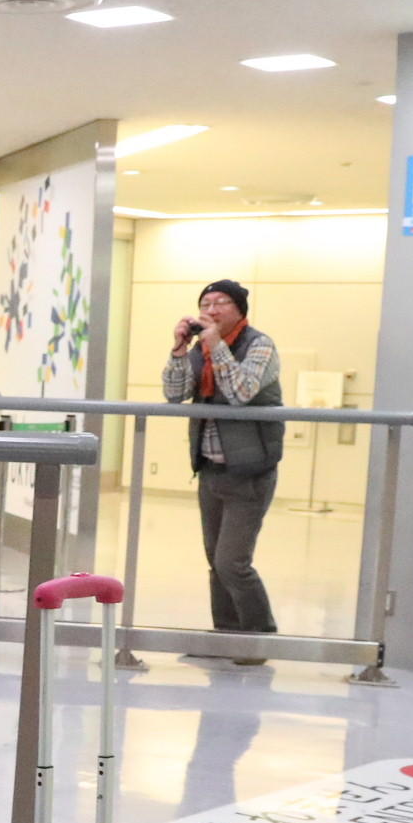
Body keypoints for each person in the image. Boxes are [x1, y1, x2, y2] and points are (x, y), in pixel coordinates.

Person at [162, 278, 283, 659]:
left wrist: (216, 346)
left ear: (240, 310)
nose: (211, 310)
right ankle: (225, 636)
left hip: (250, 471)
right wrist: (180, 350)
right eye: (205, 304)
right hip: (210, 469)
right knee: (216, 561)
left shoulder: (260, 345)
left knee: (232, 563)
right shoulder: (200, 348)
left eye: (221, 303)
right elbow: (174, 393)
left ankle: (258, 638)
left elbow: (240, 393)